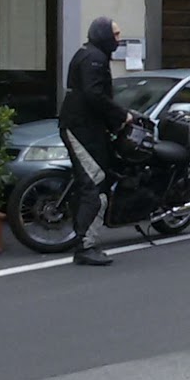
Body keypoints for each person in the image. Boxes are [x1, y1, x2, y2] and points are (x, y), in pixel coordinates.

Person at [58, 17, 132, 267]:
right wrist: (121, 115)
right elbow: (94, 94)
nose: (118, 39)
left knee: (93, 178)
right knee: (95, 184)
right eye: (116, 34)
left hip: (82, 125)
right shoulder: (95, 58)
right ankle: (85, 246)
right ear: (103, 34)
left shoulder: (88, 53)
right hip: (82, 128)